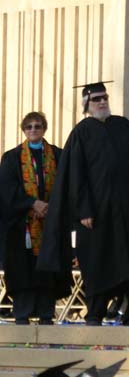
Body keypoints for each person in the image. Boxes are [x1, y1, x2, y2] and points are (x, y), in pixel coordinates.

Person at [37, 82, 129, 326]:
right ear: (87, 105)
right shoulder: (82, 132)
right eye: (97, 99)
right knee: (100, 263)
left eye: (105, 98)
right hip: (97, 216)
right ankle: (95, 314)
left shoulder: (123, 126)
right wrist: (83, 210)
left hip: (128, 211)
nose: (102, 102)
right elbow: (75, 175)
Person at [0, 112, 68, 324]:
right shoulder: (11, 158)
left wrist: (50, 207)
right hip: (22, 225)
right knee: (24, 270)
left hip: (51, 222)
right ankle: (22, 312)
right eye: (28, 127)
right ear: (23, 129)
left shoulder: (58, 155)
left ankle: (46, 312)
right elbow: (7, 189)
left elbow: (66, 186)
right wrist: (32, 203)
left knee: (47, 269)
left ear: (44, 128)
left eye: (37, 126)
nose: (33, 130)